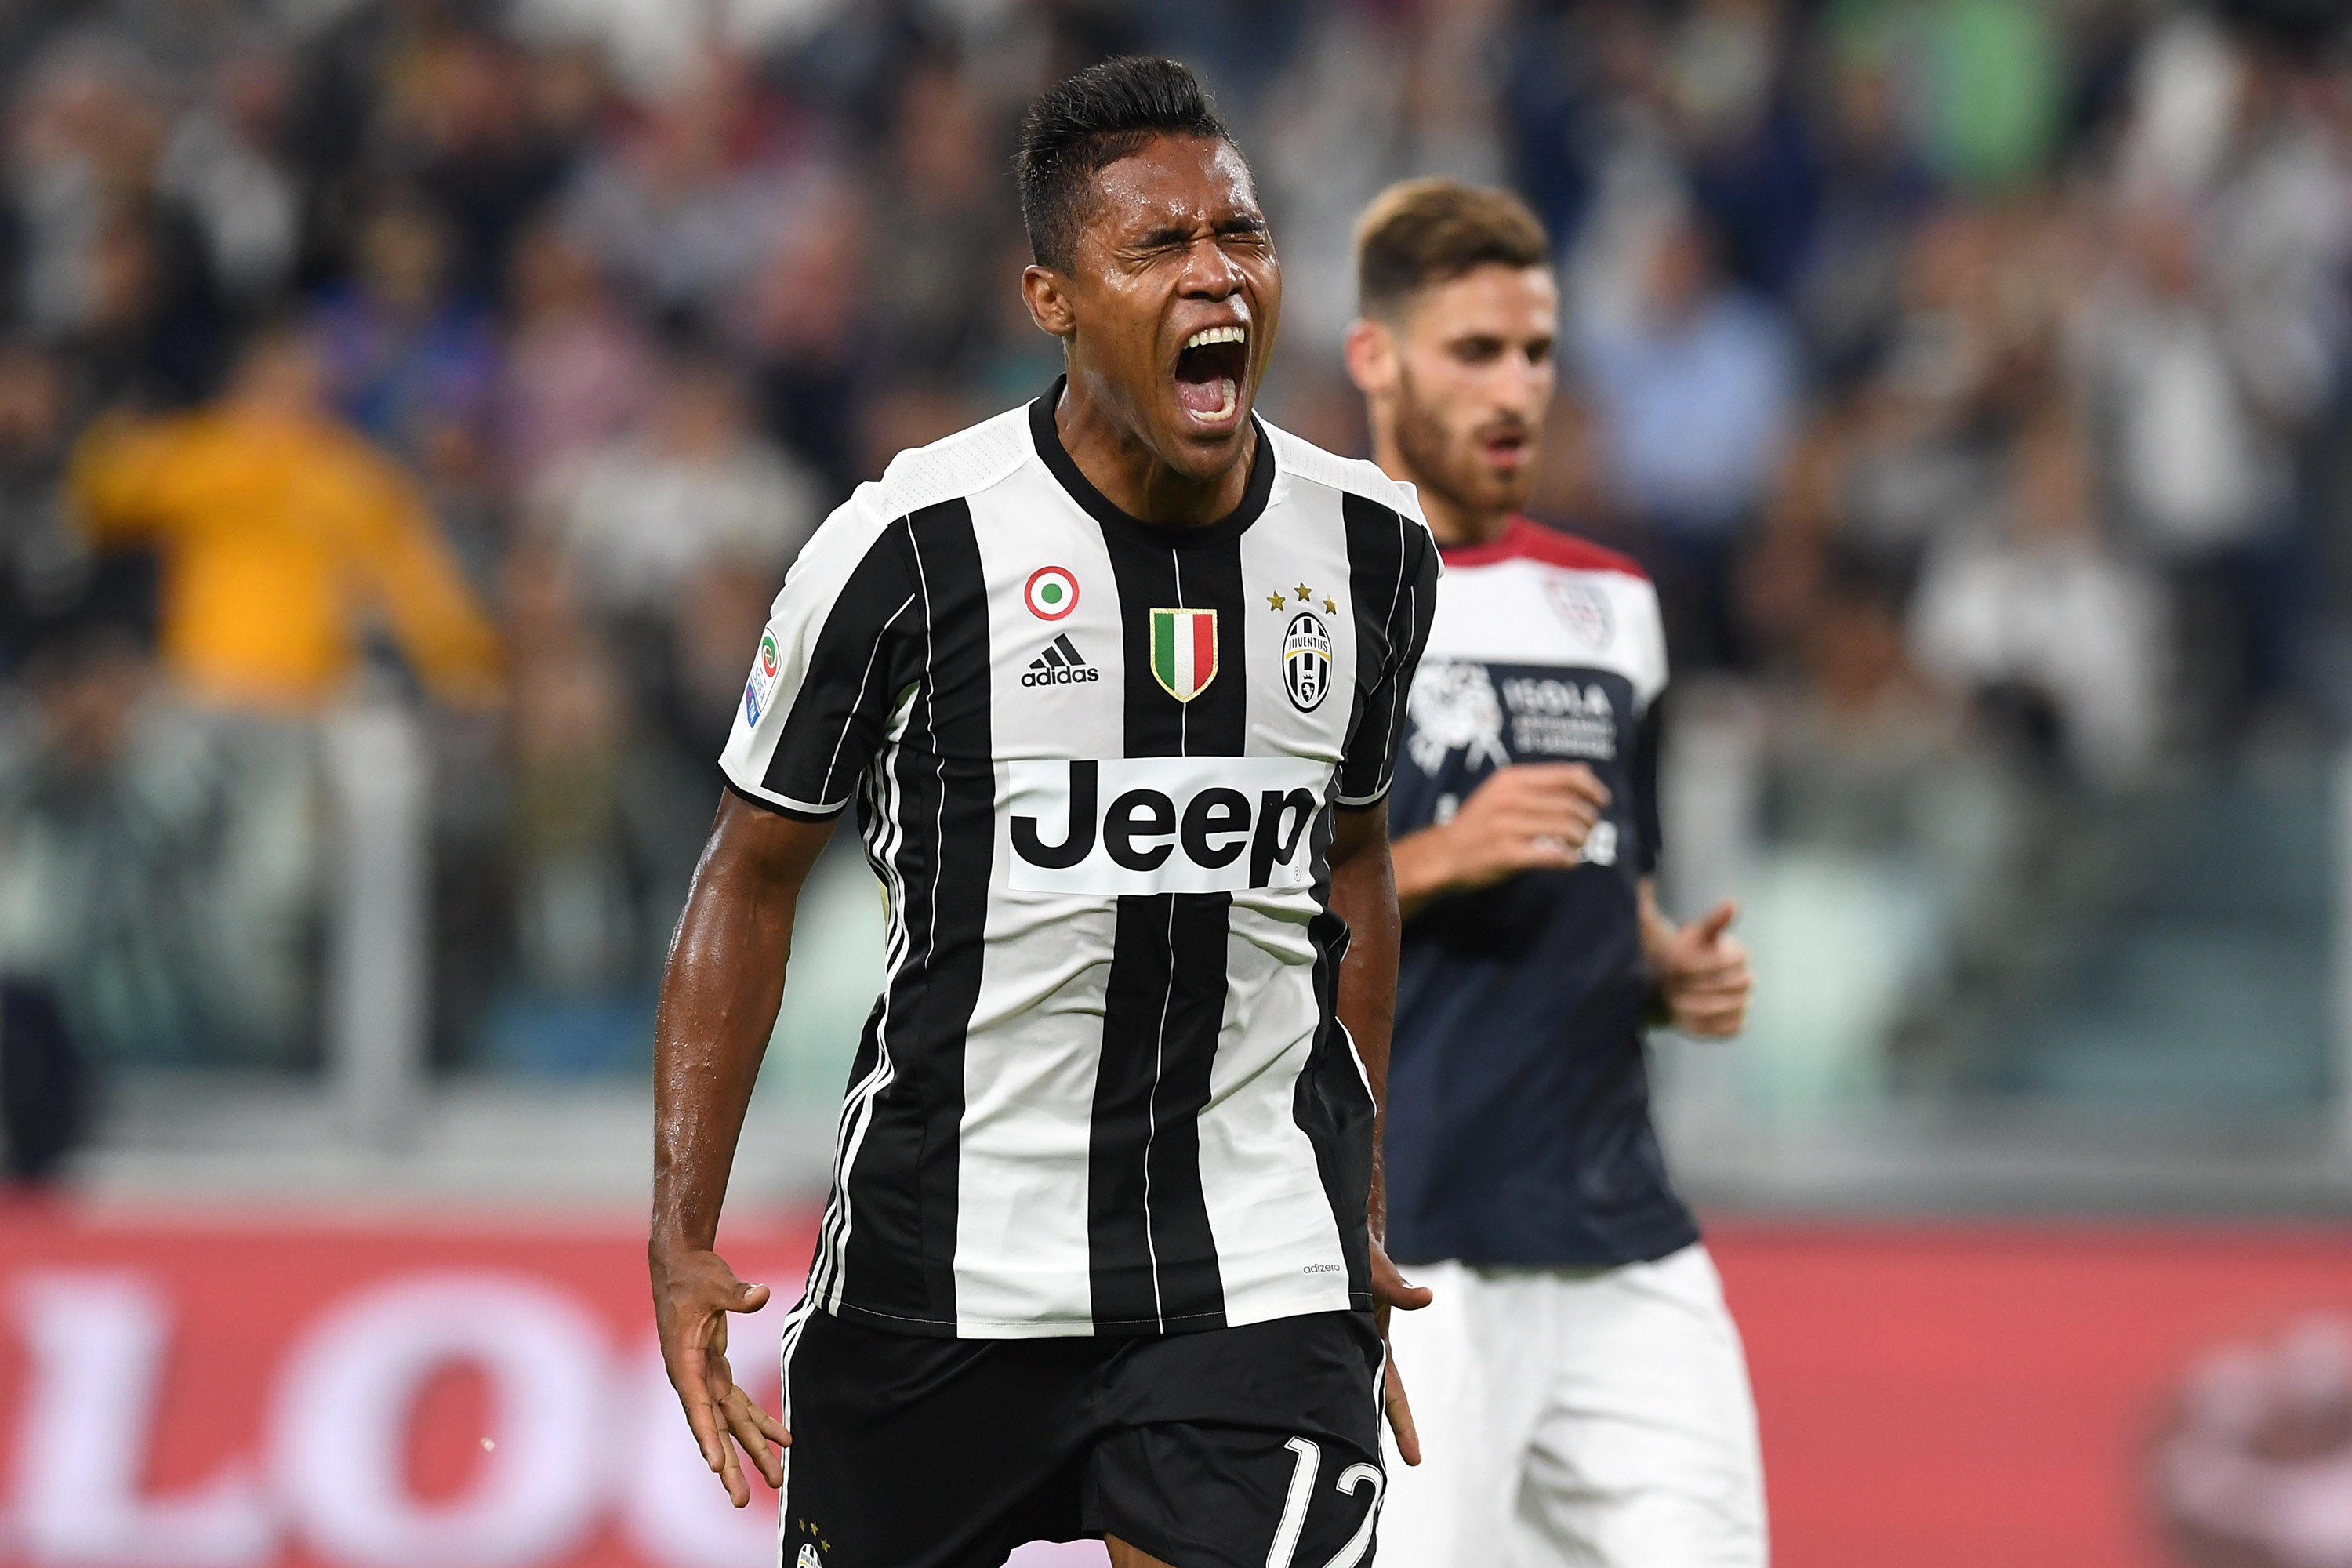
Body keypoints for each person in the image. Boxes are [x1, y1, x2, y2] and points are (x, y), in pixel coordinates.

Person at [649, 59, 1440, 1568]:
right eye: (1157, 247)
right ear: (1052, 297)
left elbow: (1354, 869)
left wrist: (1358, 1207)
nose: (1216, 273)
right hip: (938, 1265)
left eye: (1242, 235)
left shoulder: (1372, 550)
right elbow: (747, 878)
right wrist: (682, 1233)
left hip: (1252, 1273)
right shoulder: (905, 547)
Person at [1342, 178, 1766, 1564]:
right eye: (1475, 351)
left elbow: (1603, 885)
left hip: (1625, 1238)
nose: (1515, 387)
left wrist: (1659, 966)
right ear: (1378, 360)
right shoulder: (1299, 591)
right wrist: (1441, 853)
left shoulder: (1616, 603)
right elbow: (1216, 919)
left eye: (1536, 352)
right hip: (1416, 1253)